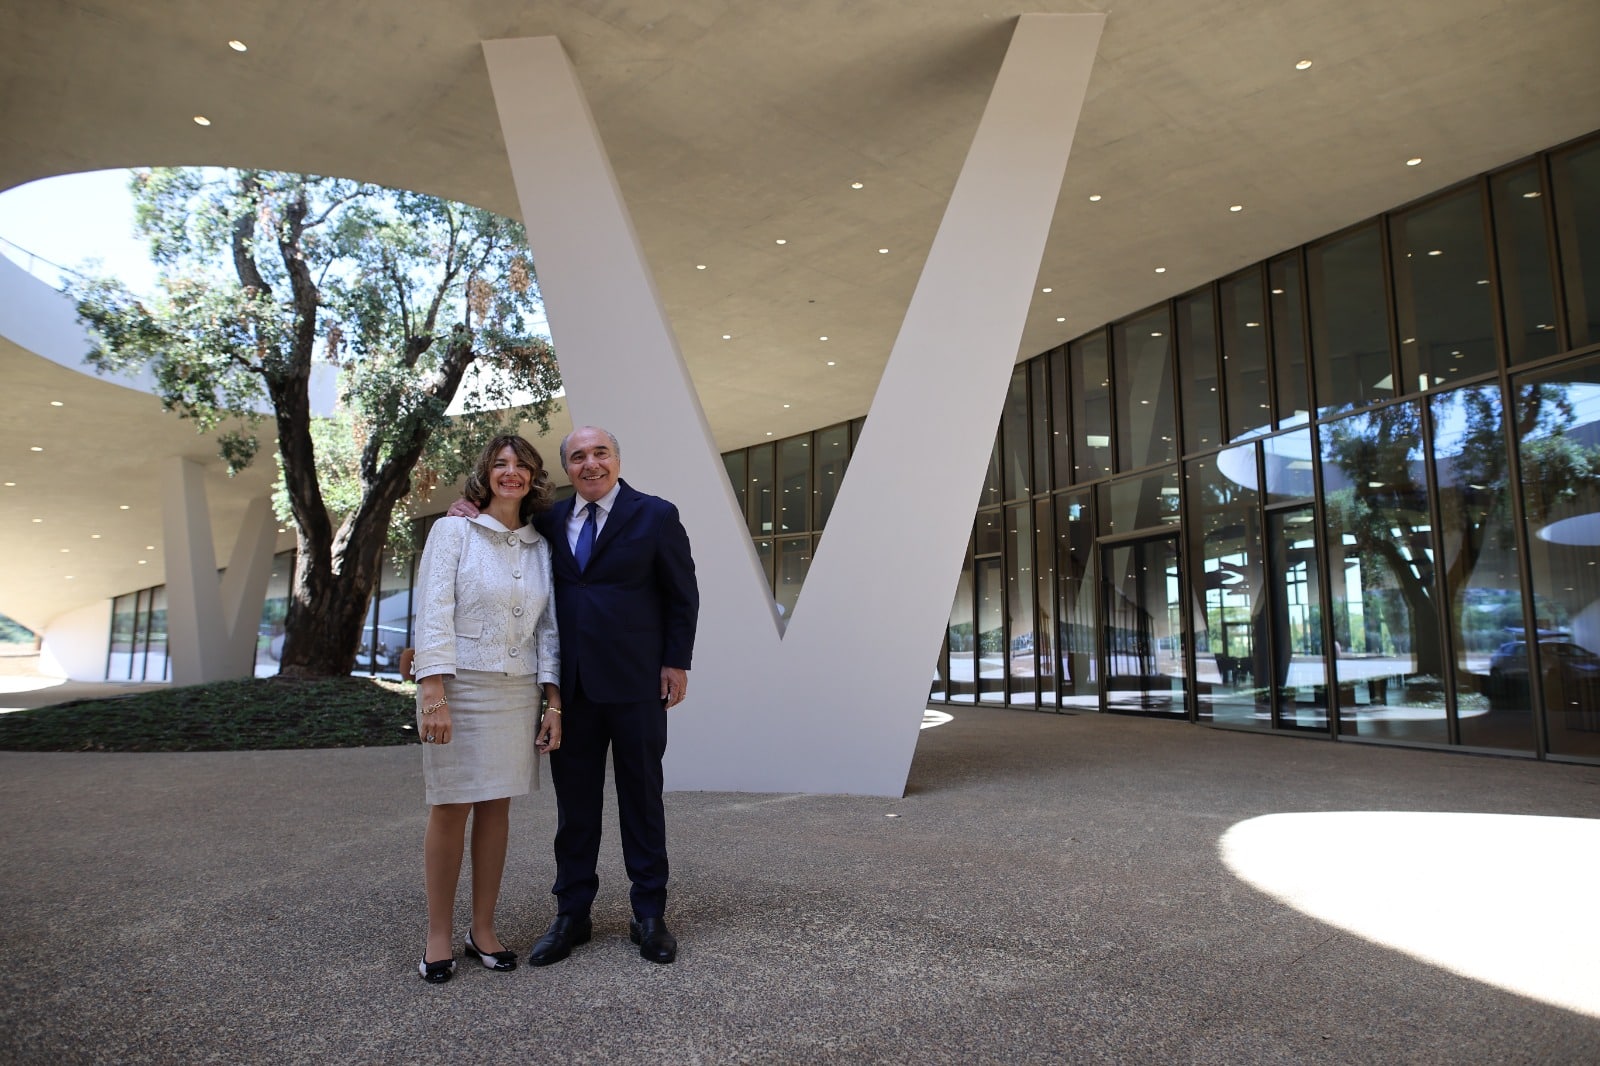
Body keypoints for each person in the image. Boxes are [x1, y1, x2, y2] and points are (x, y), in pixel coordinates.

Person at [450, 424, 698, 965]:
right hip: (573, 690)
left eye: (600, 453)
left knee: (642, 800)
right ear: (566, 469)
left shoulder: (656, 515)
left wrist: (676, 662)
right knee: (575, 808)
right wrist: (468, 508)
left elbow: (683, 594)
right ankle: (572, 915)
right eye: (578, 456)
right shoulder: (550, 519)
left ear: (616, 458)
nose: (591, 464)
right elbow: (504, 522)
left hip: (637, 685)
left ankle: (649, 914)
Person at [412, 434, 563, 984]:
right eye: (500, 464)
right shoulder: (452, 530)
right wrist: (433, 692)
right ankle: (436, 935)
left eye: (521, 465)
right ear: (485, 473)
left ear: (534, 476)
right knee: (451, 804)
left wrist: (553, 702)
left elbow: (550, 630)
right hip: (461, 685)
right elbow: (432, 609)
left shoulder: (541, 545)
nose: (511, 473)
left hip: (516, 690)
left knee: (497, 806)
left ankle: (483, 929)